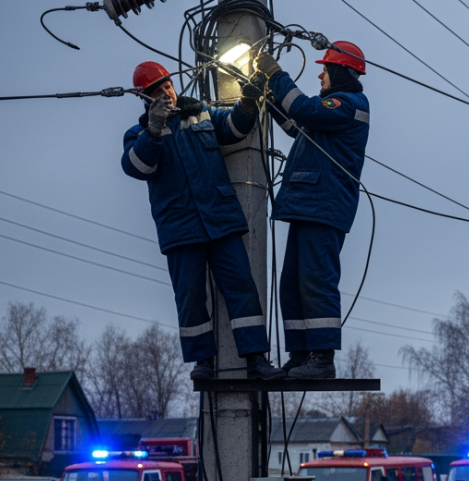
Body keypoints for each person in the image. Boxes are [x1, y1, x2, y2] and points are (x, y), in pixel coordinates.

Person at [120, 61, 284, 381]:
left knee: (241, 288)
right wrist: (153, 131)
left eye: (167, 85)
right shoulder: (139, 133)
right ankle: (203, 362)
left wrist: (248, 102)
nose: (166, 92)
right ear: (145, 98)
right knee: (191, 296)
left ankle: (256, 360)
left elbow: (235, 128)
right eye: (157, 91)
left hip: (219, 219)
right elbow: (137, 167)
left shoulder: (200, 113)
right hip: (181, 229)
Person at [254, 42, 371, 379]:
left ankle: (322, 359)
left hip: (325, 205)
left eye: (325, 69)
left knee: (316, 281)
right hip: (309, 204)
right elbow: (297, 124)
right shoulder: (328, 113)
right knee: (292, 283)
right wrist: (268, 96)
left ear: (339, 72)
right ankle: (301, 355)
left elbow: (303, 110)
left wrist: (275, 74)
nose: (320, 74)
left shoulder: (349, 104)